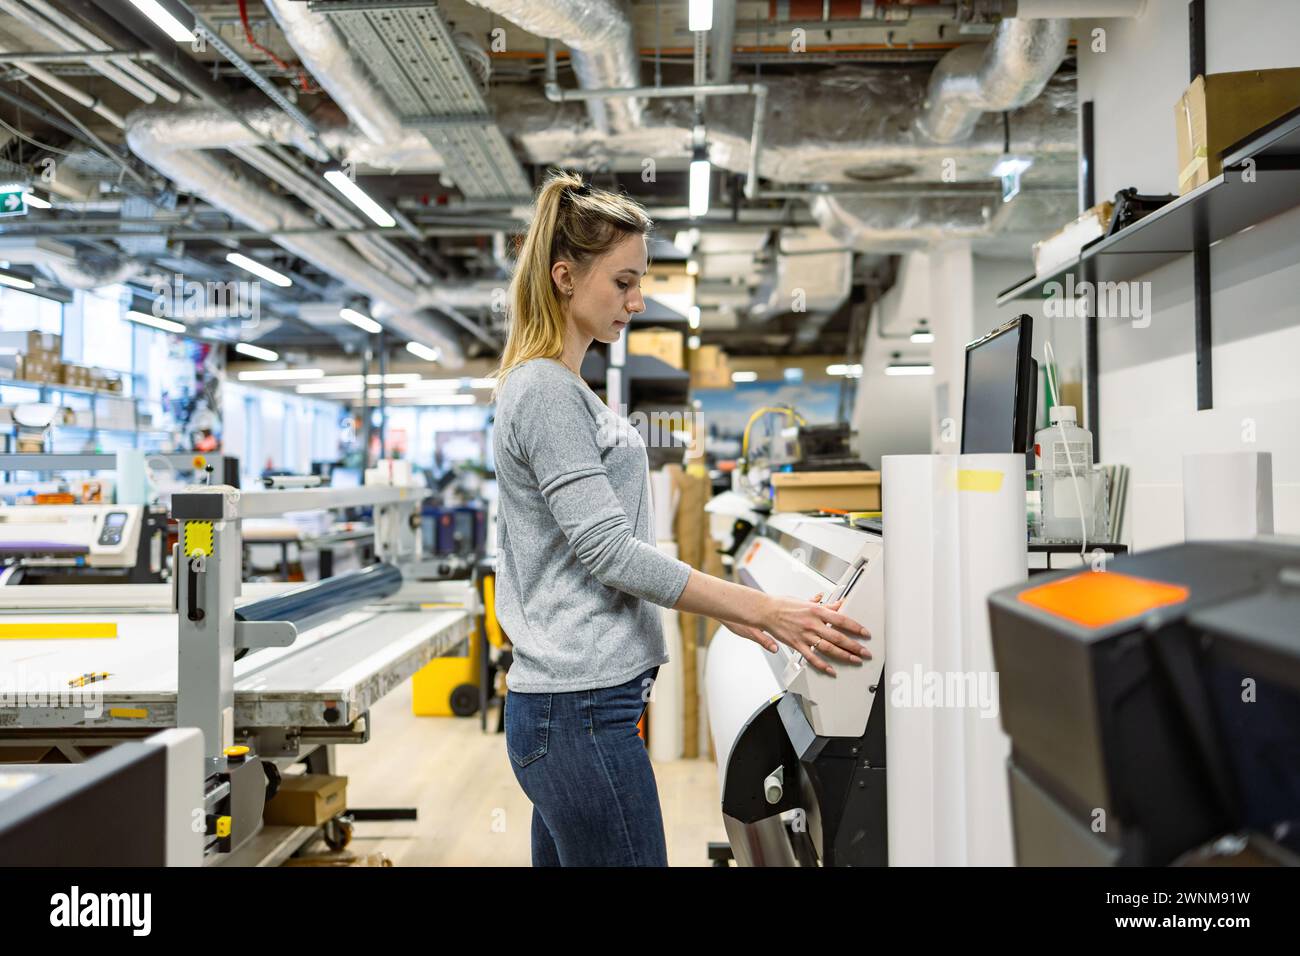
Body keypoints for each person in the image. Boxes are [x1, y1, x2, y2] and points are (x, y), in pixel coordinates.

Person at [491, 170, 871, 867]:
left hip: (576, 709)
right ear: (565, 276)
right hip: (577, 713)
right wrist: (764, 611)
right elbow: (608, 551)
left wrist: (728, 609)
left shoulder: (565, 387)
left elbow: (605, 551)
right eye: (624, 281)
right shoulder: (546, 390)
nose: (638, 301)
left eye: (642, 282)